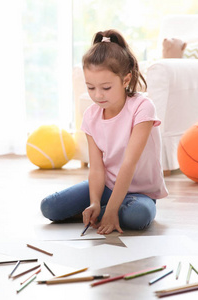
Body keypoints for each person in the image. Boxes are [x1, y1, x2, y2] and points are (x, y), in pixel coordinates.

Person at [40, 29, 168, 235]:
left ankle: (110, 211)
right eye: (90, 88)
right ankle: (100, 210)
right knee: (49, 208)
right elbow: (97, 169)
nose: (98, 95)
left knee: (136, 216)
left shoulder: (143, 107)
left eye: (106, 88)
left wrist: (113, 209)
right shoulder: (91, 115)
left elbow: (129, 163)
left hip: (138, 193)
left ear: (126, 80)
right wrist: (94, 201)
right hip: (106, 186)